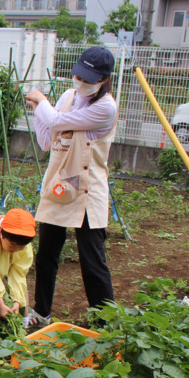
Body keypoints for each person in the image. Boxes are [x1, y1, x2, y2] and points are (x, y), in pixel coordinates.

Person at [24, 46, 119, 329]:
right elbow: (47, 141)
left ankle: (106, 324)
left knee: (92, 260)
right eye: (79, 75)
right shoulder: (68, 97)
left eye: (89, 78)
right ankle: (41, 313)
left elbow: (55, 120)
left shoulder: (105, 107)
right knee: (47, 254)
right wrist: (37, 111)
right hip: (60, 184)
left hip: (88, 189)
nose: (81, 81)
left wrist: (42, 102)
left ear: (104, 79)